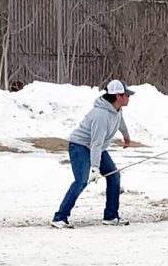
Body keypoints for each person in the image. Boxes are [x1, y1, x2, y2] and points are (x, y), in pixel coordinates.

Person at [52, 79, 135, 229]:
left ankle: (110, 216)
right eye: (126, 95)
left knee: (114, 175)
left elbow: (120, 120)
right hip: (80, 146)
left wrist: (126, 135)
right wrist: (95, 168)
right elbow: (95, 143)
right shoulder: (101, 115)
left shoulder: (116, 109)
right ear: (118, 96)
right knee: (82, 181)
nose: (129, 97)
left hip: (97, 148)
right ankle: (60, 218)